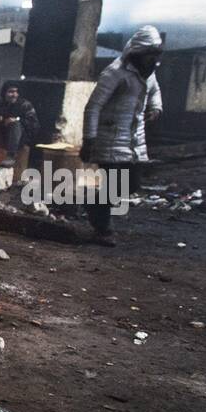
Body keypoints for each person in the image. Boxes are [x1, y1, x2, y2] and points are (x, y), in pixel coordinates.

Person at [80, 25, 164, 246]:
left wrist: (155, 107)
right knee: (115, 184)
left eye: (155, 56)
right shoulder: (115, 73)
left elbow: (154, 91)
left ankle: (94, 205)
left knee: (131, 183)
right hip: (109, 139)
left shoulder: (149, 73)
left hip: (133, 139)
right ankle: (102, 229)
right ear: (137, 53)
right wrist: (89, 139)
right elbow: (93, 106)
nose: (152, 61)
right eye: (149, 56)